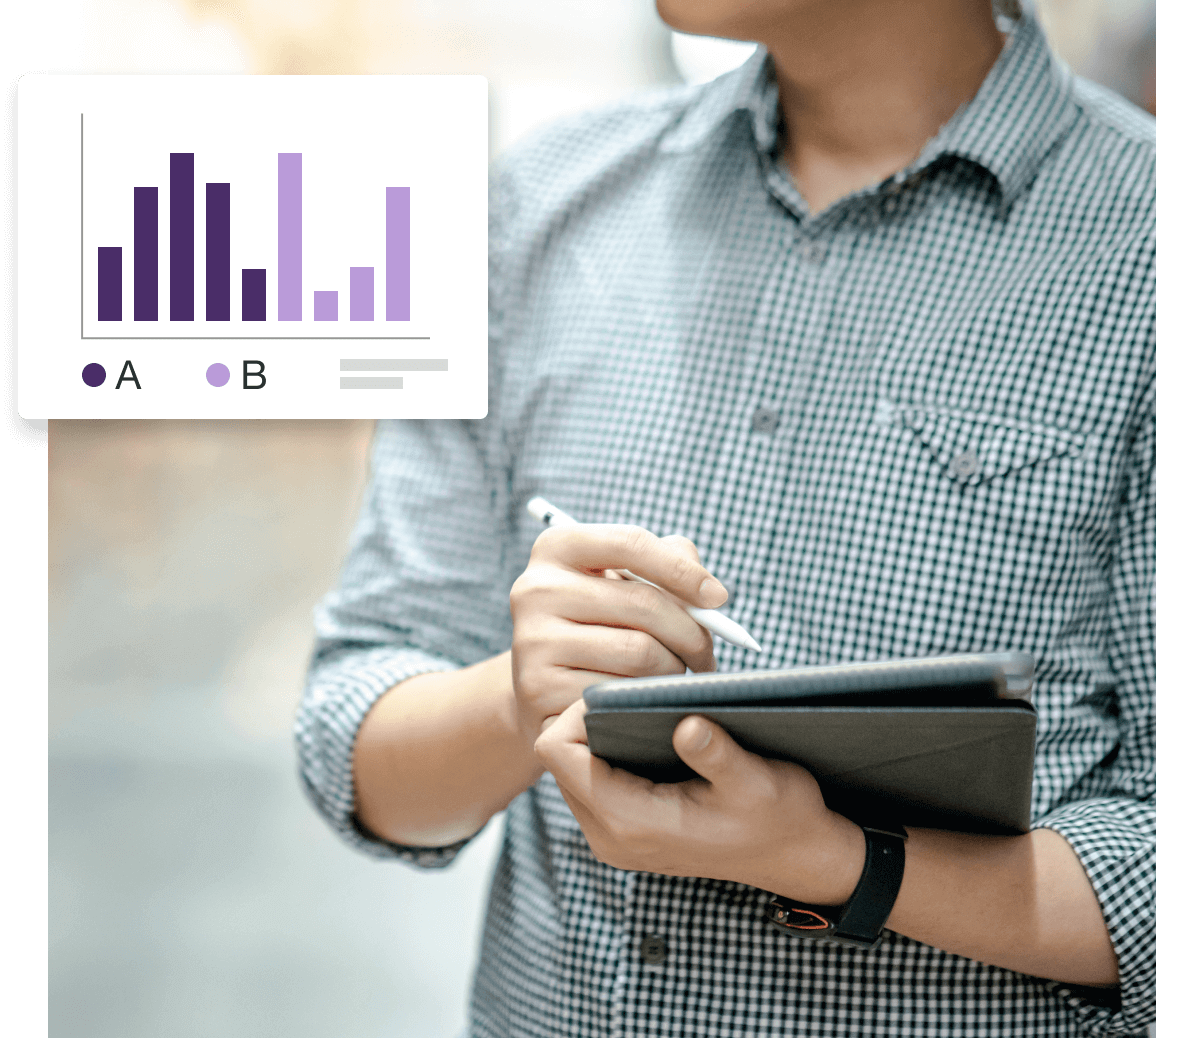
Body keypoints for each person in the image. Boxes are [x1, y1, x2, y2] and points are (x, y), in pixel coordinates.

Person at [296, 0, 1155, 1034]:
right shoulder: (539, 206)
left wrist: (836, 862)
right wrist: (517, 701)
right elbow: (355, 726)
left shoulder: (1132, 246)